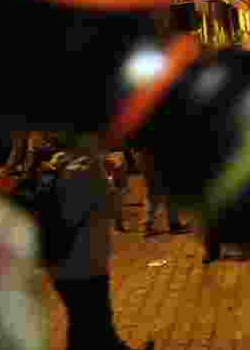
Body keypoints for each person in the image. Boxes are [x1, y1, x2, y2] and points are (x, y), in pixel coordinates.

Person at [45, 135, 150, 350]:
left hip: (59, 262)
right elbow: (111, 208)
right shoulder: (88, 170)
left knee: (87, 328)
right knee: (94, 328)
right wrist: (119, 179)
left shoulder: (58, 162)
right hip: (85, 264)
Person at [136, 146, 191, 237]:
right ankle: (171, 224)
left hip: (145, 154)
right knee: (164, 190)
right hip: (155, 155)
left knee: (154, 190)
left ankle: (149, 224)